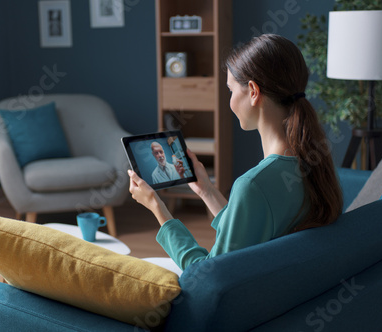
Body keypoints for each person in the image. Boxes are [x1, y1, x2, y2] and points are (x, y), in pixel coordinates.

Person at [128, 34, 343, 271]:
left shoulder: (253, 185)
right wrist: (207, 190)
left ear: (253, 91)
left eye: (231, 90)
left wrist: (157, 208)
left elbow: (209, 274)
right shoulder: (314, 163)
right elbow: (246, 235)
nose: (230, 102)